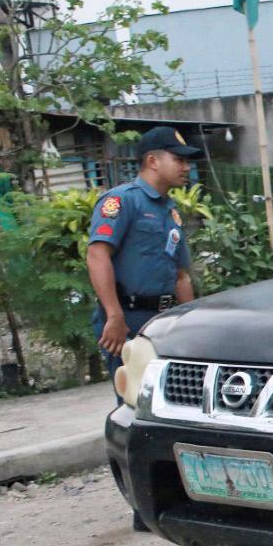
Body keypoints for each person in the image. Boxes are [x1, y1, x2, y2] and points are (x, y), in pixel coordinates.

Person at [88, 125, 202, 384]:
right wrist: (114, 315)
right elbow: (97, 255)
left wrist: (188, 324)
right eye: (178, 160)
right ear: (153, 161)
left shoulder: (170, 210)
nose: (186, 167)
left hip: (165, 320)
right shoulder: (122, 200)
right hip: (128, 319)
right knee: (136, 402)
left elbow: (181, 275)